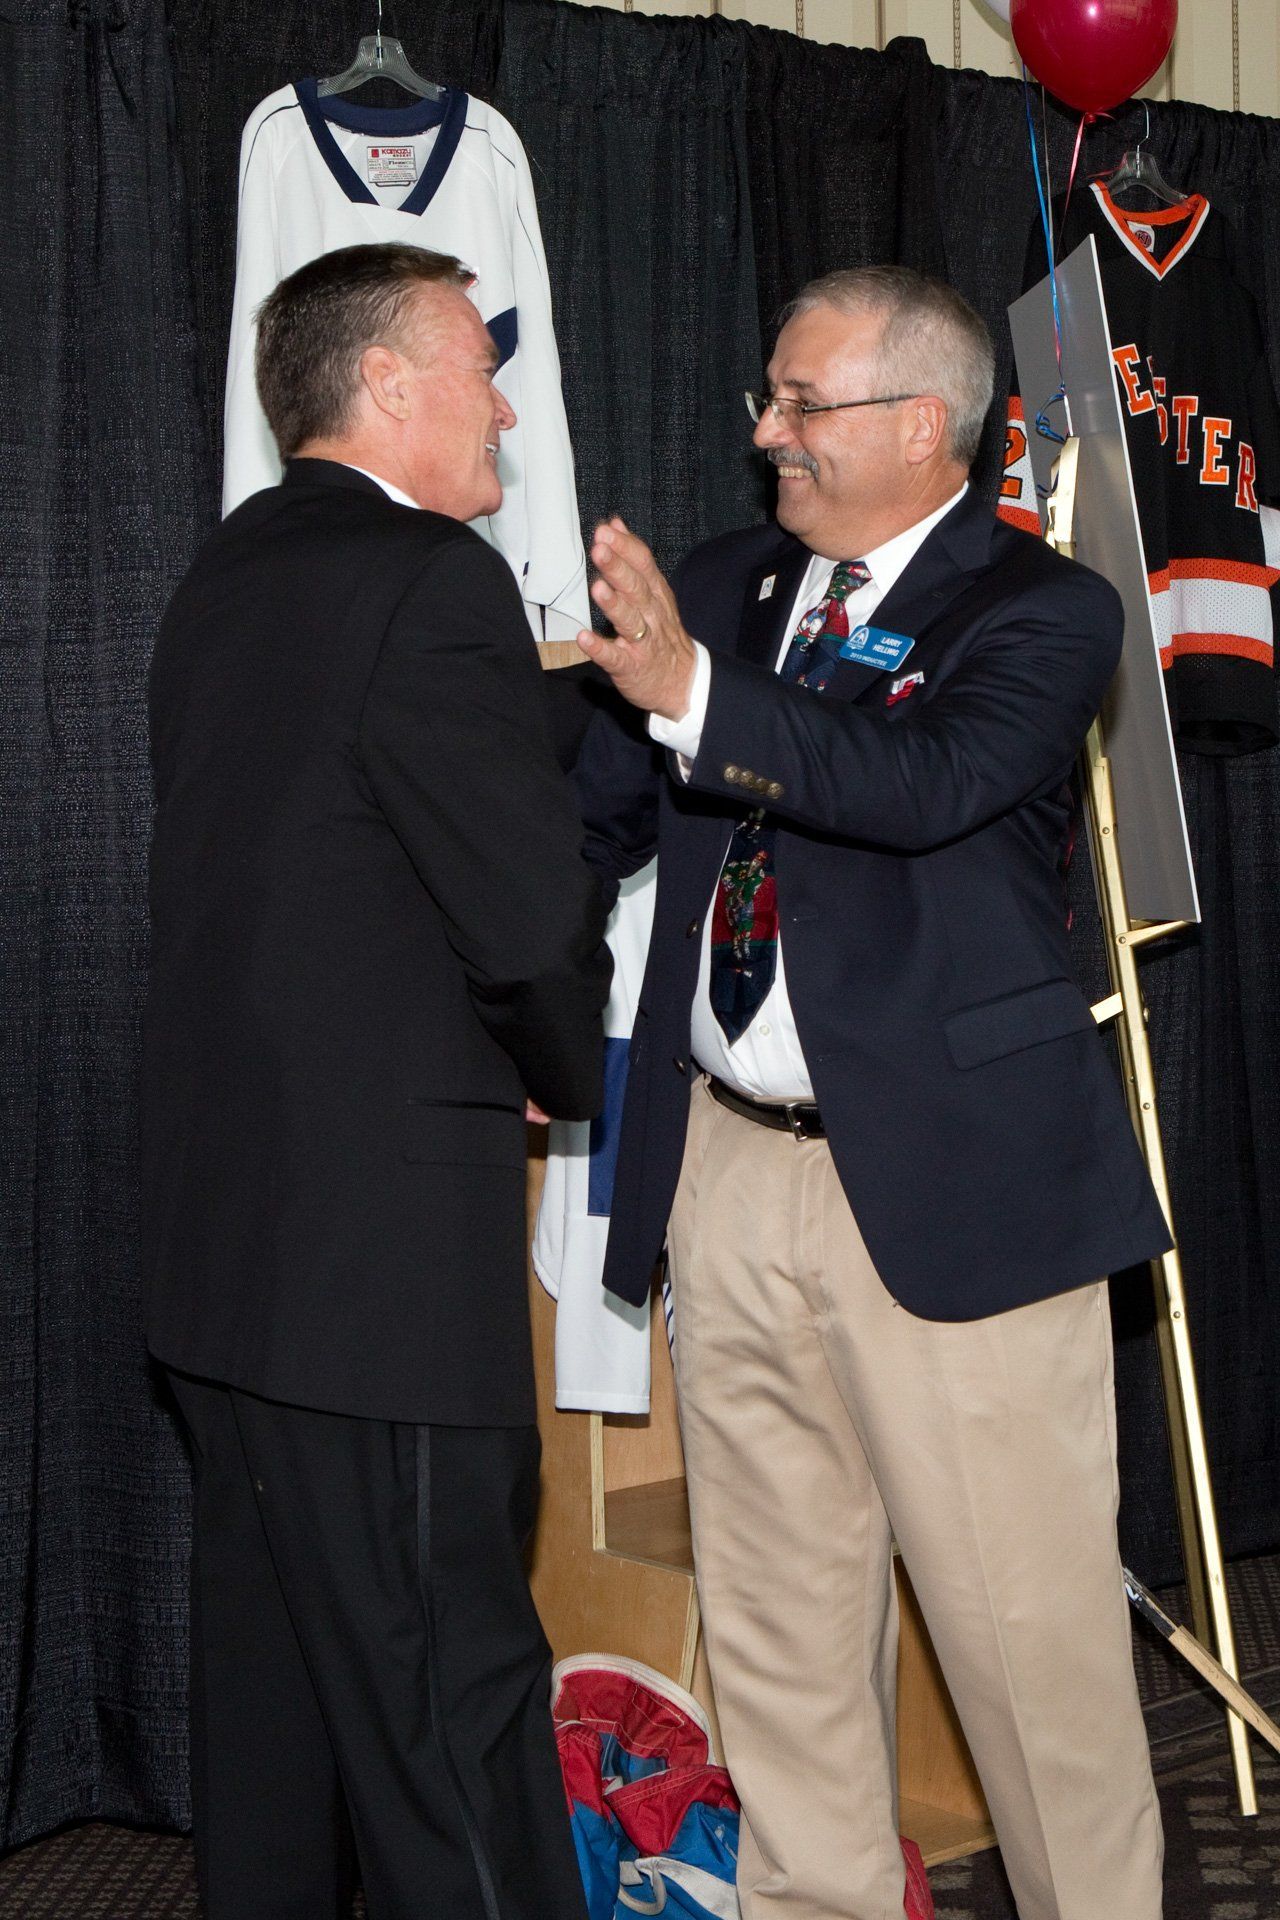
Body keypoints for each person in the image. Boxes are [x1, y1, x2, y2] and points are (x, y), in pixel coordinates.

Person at [573, 267, 1172, 1920]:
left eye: (802, 403)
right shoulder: (724, 586)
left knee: (1031, 1663)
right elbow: (586, 818)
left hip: (957, 1190)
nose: (767, 429)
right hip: (729, 1174)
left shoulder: (1045, 611)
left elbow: (917, 785)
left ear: (924, 426)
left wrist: (693, 694)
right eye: (768, 397)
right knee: (777, 1632)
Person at [141, 242, 610, 1920]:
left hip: (229, 1264)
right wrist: (561, 1069)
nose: (506, 408)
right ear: (390, 385)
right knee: (447, 1719)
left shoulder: (229, 571)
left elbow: (318, 882)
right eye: (479, 370)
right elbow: (526, 918)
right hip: (375, 1280)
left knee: (276, 1724)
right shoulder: (433, 580)